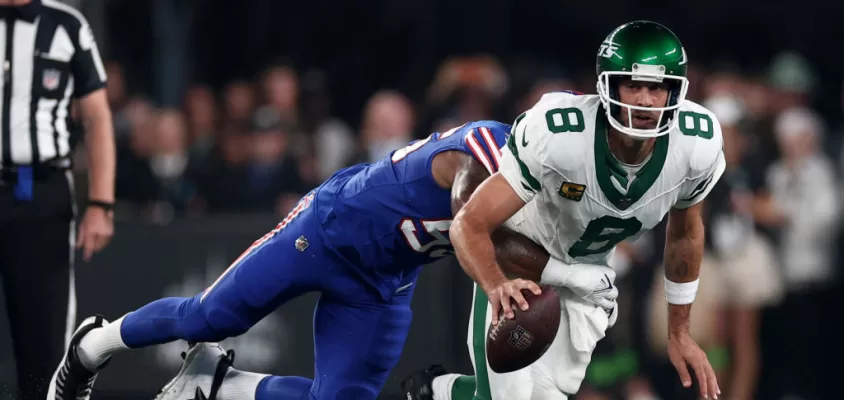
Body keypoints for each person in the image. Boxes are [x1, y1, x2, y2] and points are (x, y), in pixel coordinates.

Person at [49, 120, 608, 400]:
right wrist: (555, 275)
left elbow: (524, 241)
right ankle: (95, 343)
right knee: (207, 317)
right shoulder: (487, 145)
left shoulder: (551, 190)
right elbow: (470, 218)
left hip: (384, 281)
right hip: (326, 231)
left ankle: (219, 385)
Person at [403, 20, 725, 400]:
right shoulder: (561, 135)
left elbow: (685, 233)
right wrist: (496, 284)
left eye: (656, 87)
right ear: (606, 85)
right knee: (509, 397)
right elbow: (469, 224)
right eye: (632, 85)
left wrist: (679, 331)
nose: (644, 100)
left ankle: (437, 392)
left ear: (675, 91)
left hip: (588, 275)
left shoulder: (695, 144)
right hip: (519, 258)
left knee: (545, 395)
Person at [0, 0, 114, 398]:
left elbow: (97, 115)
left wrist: (100, 202)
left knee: (43, 337)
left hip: (39, 189)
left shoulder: (66, 26)